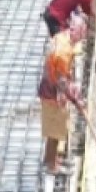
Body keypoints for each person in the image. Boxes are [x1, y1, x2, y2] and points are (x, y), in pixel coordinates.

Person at [37, 25, 87, 173]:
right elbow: (62, 83)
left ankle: (50, 159)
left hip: (49, 89)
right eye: (82, 34)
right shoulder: (63, 53)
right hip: (52, 94)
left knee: (54, 130)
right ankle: (52, 167)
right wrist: (75, 100)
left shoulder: (62, 38)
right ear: (76, 33)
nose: (82, 38)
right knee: (55, 131)